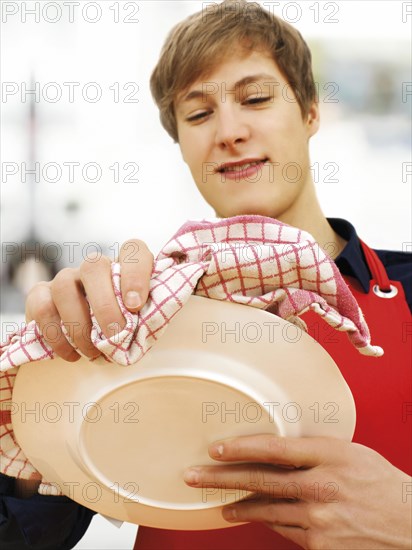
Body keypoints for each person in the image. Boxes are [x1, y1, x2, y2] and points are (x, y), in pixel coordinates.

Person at [1, 1, 411, 549]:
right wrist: (38, 390)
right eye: (198, 115)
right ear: (183, 146)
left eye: (256, 98)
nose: (229, 131)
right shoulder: (137, 317)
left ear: (311, 110)